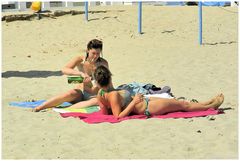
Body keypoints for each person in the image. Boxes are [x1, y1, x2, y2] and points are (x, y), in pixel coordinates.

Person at [93, 65, 224, 118]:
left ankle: (206, 103)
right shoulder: (113, 94)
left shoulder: (100, 94)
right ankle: (210, 106)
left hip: (145, 101)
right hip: (146, 106)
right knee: (182, 105)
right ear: (109, 76)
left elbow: (105, 112)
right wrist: (133, 103)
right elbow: (118, 116)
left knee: (177, 102)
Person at [33, 39, 108, 112]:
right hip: (81, 91)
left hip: (94, 95)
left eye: (98, 54)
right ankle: (40, 107)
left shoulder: (103, 63)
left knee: (96, 101)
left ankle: (66, 109)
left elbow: (106, 82)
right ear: (88, 50)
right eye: (93, 53)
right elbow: (64, 70)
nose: (95, 56)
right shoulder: (80, 60)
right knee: (69, 93)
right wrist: (80, 74)